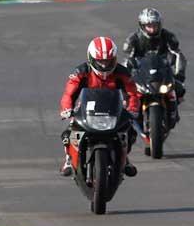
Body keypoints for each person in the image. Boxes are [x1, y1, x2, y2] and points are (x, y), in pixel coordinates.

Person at [59, 36, 140, 178]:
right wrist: (67, 110)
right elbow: (69, 93)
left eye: (107, 61)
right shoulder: (81, 71)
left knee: (130, 132)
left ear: (114, 59)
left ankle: (125, 158)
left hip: (113, 109)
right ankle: (68, 159)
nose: (104, 65)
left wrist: (132, 109)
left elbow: (132, 93)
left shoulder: (122, 72)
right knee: (69, 133)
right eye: (100, 61)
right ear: (91, 58)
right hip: (86, 108)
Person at [122, 8, 186, 128]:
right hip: (142, 74)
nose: (152, 29)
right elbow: (127, 59)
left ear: (159, 24)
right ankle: (131, 112)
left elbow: (178, 55)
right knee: (125, 92)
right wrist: (126, 76)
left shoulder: (168, 36)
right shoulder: (134, 39)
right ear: (142, 26)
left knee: (179, 88)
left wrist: (180, 74)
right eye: (149, 26)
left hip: (162, 72)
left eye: (155, 25)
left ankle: (173, 111)